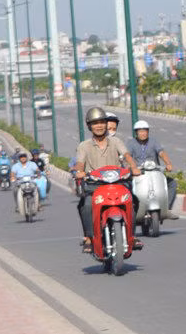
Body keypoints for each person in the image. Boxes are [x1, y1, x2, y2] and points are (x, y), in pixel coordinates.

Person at [74, 107, 143, 254]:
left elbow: (126, 155)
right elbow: (80, 163)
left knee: (133, 201)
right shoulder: (83, 146)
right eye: (95, 123)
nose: (99, 126)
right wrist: (79, 172)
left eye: (101, 122)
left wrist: (134, 167)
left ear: (106, 124)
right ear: (89, 126)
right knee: (86, 205)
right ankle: (89, 238)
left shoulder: (115, 141)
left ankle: (132, 235)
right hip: (95, 185)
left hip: (118, 182)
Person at [127, 120, 180, 220]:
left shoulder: (153, 141)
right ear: (136, 133)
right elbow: (128, 156)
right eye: (140, 131)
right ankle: (132, 209)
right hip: (139, 174)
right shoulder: (131, 143)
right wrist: (132, 168)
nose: (143, 133)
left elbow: (161, 152)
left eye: (145, 131)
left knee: (172, 183)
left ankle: (167, 209)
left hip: (154, 171)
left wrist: (168, 163)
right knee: (127, 186)